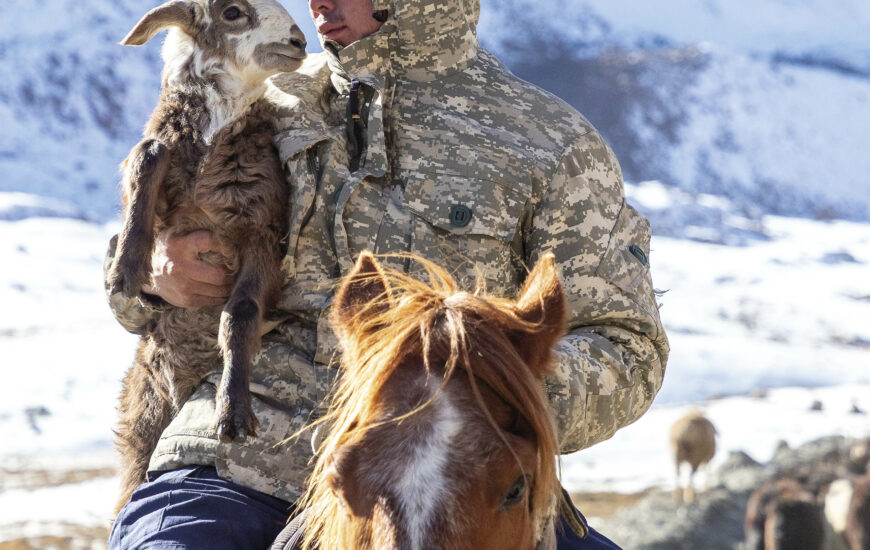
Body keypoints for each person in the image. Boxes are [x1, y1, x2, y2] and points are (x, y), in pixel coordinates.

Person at [105, 0, 669, 548]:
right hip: (240, 460)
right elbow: (129, 273)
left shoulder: (551, 143)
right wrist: (158, 275)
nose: (318, 1)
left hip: (464, 480)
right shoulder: (258, 94)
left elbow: (625, 344)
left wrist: (485, 403)